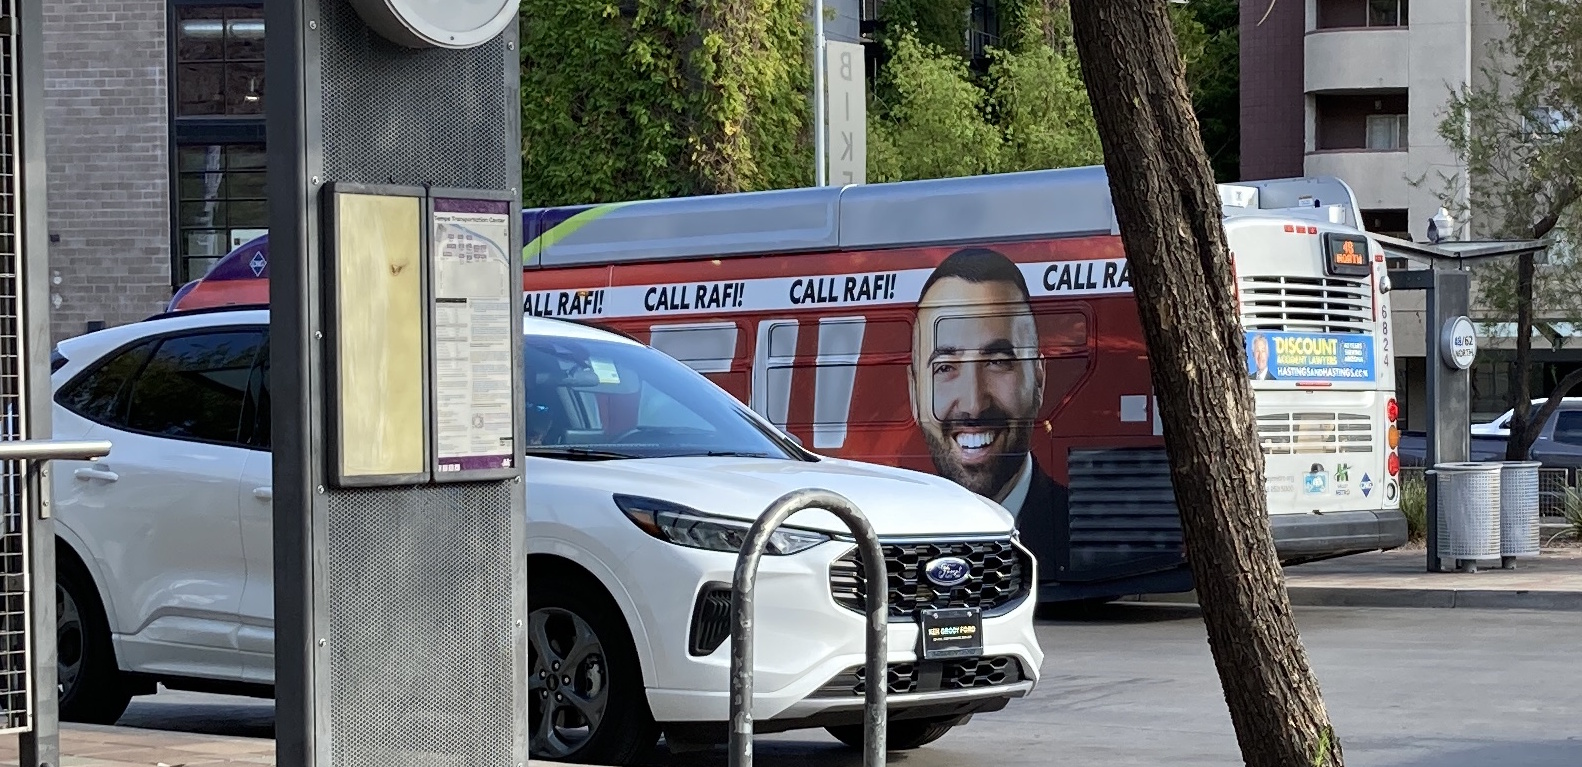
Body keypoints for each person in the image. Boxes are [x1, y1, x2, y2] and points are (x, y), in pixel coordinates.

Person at [908, 247, 1068, 570]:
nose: (973, 404)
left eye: (997, 362)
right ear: (914, 391)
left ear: (1038, 379)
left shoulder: (1070, 521)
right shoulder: (893, 525)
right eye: (945, 367)